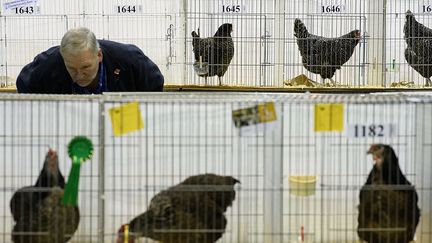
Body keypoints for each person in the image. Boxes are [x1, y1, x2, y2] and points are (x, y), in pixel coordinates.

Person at [16, 27, 164, 94]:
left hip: (122, 119)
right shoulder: (49, 64)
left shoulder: (129, 59)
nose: (79, 75)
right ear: (63, 58)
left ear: (99, 55)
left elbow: (154, 83)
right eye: (72, 68)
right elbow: (24, 83)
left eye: (85, 67)